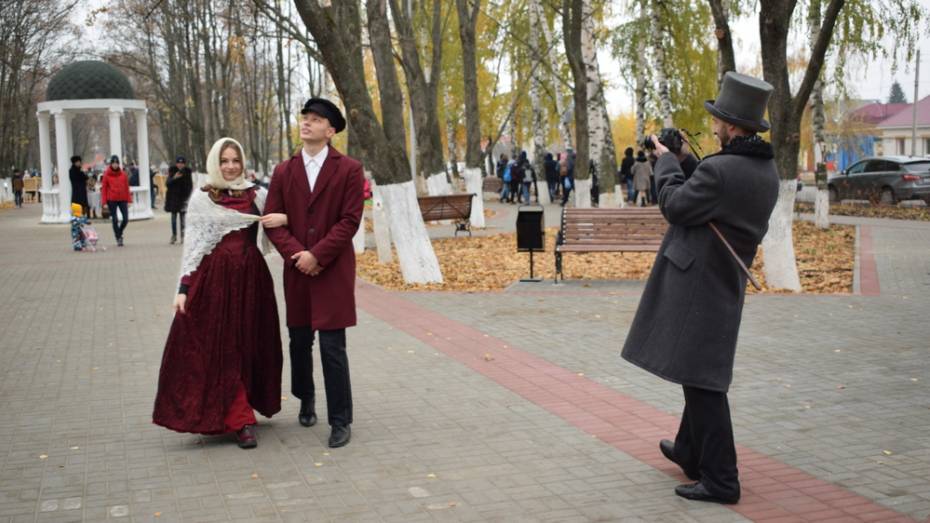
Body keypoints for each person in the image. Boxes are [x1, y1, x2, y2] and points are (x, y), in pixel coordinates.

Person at [620, 72, 780, 505]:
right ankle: (691, 450)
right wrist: (689, 161)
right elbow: (711, 193)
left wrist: (668, 162)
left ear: (731, 126)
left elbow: (675, 205)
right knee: (700, 370)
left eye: (717, 121)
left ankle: (722, 480)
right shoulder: (762, 170)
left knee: (704, 382)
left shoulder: (724, 170)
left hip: (699, 285)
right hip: (721, 280)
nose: (712, 127)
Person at [153, 137, 286, 449]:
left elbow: (279, 224)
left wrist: (285, 218)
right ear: (215, 162)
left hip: (252, 279)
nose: (230, 166)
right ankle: (240, 419)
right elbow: (194, 247)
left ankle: (242, 405)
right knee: (221, 345)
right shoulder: (202, 199)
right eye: (224, 161)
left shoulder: (258, 194)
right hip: (214, 282)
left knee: (247, 343)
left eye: (235, 161)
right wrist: (183, 289)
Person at [264, 98, 364, 449]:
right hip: (297, 272)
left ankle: (341, 419)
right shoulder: (283, 171)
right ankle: (306, 399)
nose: (306, 123)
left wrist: (317, 255)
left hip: (333, 270)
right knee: (299, 341)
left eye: (315, 119)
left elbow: (349, 220)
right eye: (304, 118)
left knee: (333, 347)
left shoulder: (349, 169)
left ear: (330, 130)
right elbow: (272, 220)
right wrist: (297, 256)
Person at [100, 155, 131, 247]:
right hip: (111, 199)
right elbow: (104, 189)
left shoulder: (123, 174)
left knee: (125, 219)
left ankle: (119, 232)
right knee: (115, 219)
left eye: (116, 163)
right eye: (113, 163)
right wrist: (104, 202)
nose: (115, 165)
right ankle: (118, 238)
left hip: (122, 199)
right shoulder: (106, 175)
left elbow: (126, 188)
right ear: (111, 164)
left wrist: (129, 200)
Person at [165, 156, 194, 244]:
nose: (180, 165)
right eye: (178, 163)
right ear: (176, 163)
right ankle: (174, 235)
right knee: (173, 219)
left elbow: (190, 186)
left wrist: (187, 196)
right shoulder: (172, 171)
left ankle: (183, 236)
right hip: (173, 198)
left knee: (183, 218)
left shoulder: (187, 172)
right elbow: (167, 183)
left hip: (183, 199)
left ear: (184, 164)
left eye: (182, 163)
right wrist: (174, 178)